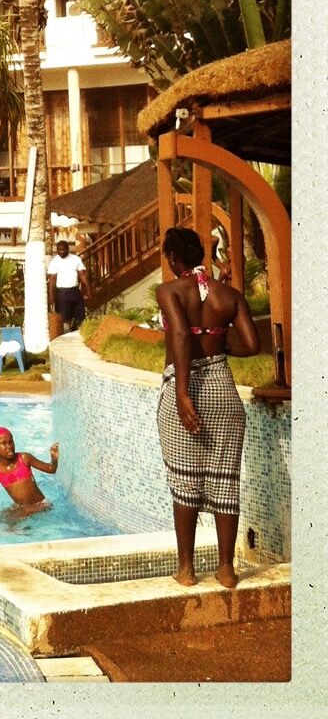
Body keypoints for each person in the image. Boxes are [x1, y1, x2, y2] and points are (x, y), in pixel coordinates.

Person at [156, 226, 259, 589]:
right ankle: (226, 569)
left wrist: (183, 394)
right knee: (225, 481)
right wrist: (220, 343)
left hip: (186, 386)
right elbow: (251, 344)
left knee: (185, 479)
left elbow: (181, 335)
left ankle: (186, 570)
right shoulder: (229, 295)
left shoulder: (169, 291)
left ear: (173, 258)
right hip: (223, 391)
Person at [0, 427, 58, 509]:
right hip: (22, 508)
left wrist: (54, 459)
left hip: (41, 505)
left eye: (11, 442)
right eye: (4, 443)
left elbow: (51, 469)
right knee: (0, 516)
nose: (9, 446)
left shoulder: (24, 458)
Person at [47, 240, 90, 332]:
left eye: (63, 249)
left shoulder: (75, 259)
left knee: (80, 314)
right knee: (65, 318)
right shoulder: (54, 262)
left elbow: (82, 274)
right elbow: (52, 280)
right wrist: (51, 295)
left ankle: (75, 331)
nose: (61, 252)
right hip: (62, 293)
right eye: (59, 250)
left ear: (68, 249)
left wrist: (88, 288)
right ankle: (66, 333)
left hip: (75, 291)